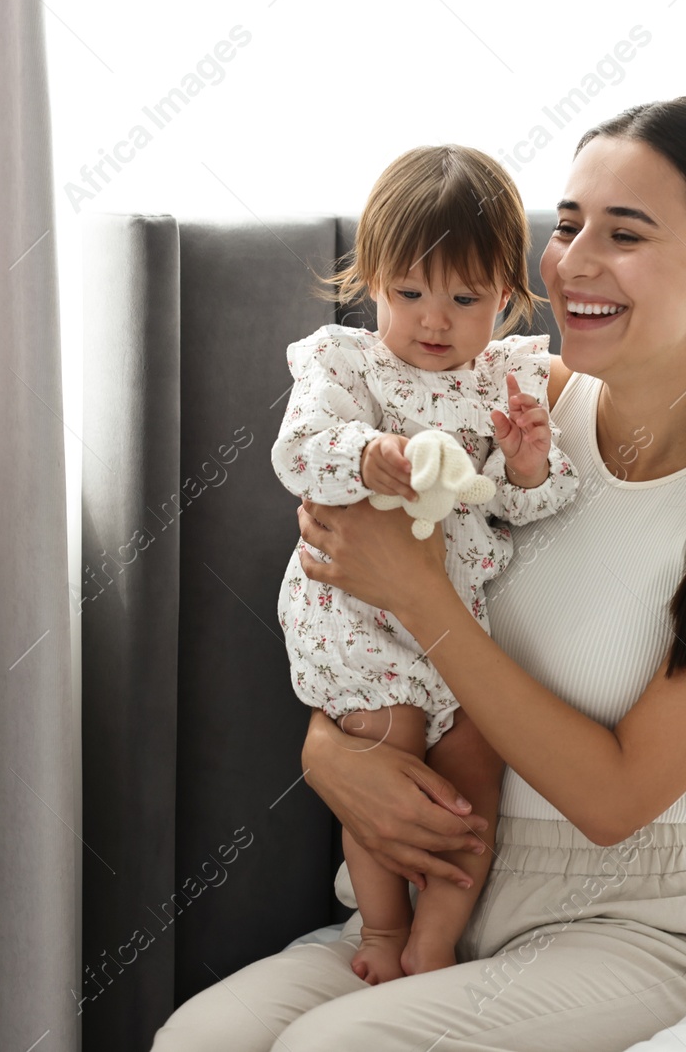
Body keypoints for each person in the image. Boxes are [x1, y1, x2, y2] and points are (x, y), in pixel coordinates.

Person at [150, 94, 686, 1052]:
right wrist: (331, 750)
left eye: (625, 232)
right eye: (567, 227)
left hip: (654, 910)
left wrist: (421, 593)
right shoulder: (500, 395)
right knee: (201, 1041)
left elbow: (614, 802)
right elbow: (351, 617)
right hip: (460, 872)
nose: (573, 262)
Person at [270, 144, 580, 986]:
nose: (433, 320)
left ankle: (436, 939)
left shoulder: (504, 382)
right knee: (392, 751)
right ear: (371, 281)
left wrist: (524, 461)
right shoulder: (347, 366)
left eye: (464, 297)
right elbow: (296, 453)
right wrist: (368, 455)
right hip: (357, 616)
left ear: (507, 302)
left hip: (451, 617)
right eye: (408, 292)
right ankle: (380, 925)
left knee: (475, 766)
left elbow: (526, 511)